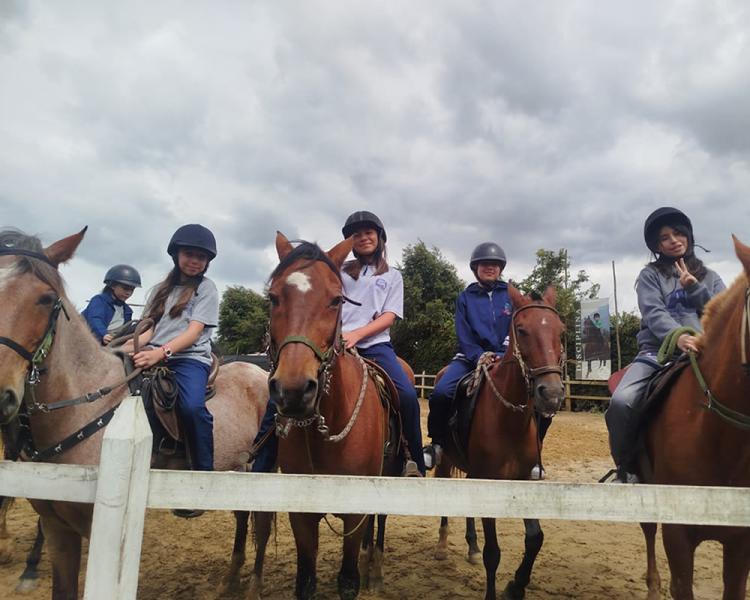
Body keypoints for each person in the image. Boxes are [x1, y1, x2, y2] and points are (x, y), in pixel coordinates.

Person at [251, 211, 425, 476]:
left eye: (369, 232)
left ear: (380, 237)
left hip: (375, 346)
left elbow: (389, 316)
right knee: (282, 394)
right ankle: (261, 459)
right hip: (333, 343)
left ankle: (412, 462)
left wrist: (357, 335)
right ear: (349, 242)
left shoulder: (392, 276)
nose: (364, 237)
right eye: (357, 234)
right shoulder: (336, 271)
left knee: (407, 396)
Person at [605, 207, 725, 483]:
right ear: (657, 246)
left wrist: (695, 289)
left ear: (688, 235)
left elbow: (723, 313)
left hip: (705, 353)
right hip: (657, 354)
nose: (673, 240)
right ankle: (626, 467)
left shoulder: (711, 277)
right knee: (621, 402)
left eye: (678, 233)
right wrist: (677, 336)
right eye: (664, 238)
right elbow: (653, 312)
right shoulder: (650, 275)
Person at [130, 224, 220, 485]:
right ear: (176, 255)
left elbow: (194, 332)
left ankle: (204, 474)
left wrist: (161, 353)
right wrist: (120, 349)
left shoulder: (206, 288)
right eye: (189, 254)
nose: (195, 261)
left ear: (207, 262)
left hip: (189, 359)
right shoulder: (160, 290)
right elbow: (148, 332)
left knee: (192, 408)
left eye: (201, 257)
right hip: (153, 351)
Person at [423, 242, 513, 470]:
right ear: (476, 268)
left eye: (494, 264)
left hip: (506, 358)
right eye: (484, 264)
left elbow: (517, 327)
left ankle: (535, 454)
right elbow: (464, 334)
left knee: (538, 394)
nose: (489, 267)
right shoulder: (465, 297)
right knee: (441, 393)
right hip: (469, 357)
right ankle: (437, 443)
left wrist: (503, 353)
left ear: (500, 268)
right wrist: (479, 356)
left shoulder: (511, 295)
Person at [81, 264, 141, 344]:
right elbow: (95, 319)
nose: (128, 293)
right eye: (125, 288)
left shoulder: (127, 311)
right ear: (113, 285)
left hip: (111, 344)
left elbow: (124, 331)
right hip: (86, 340)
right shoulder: (99, 301)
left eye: (132, 290)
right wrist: (103, 334)